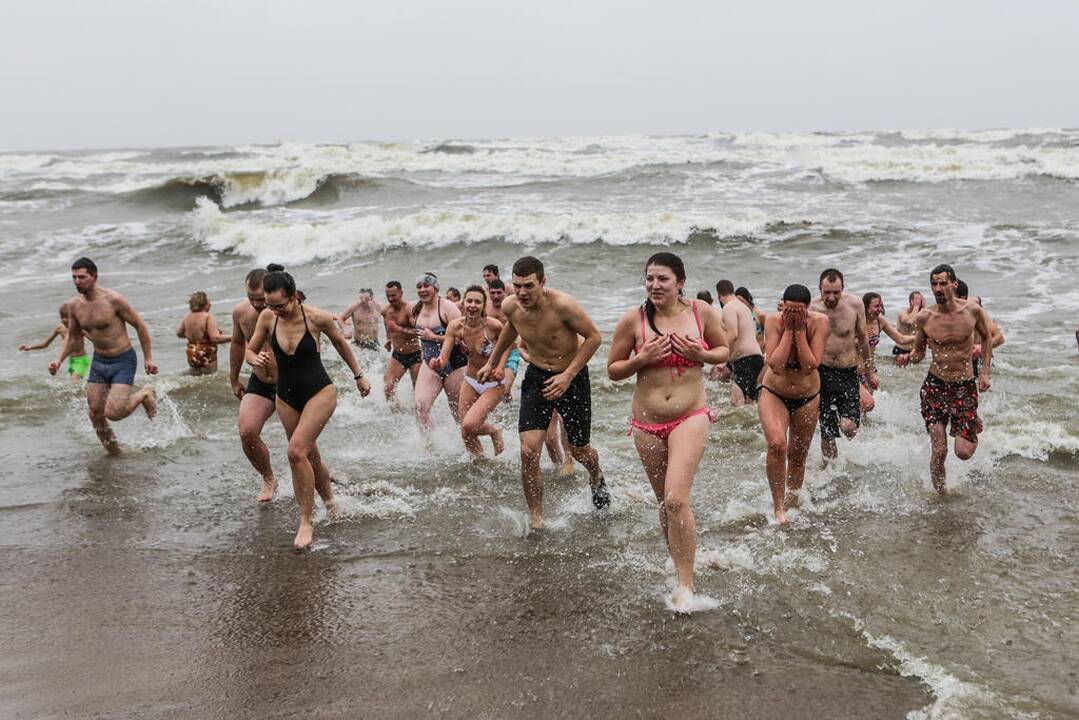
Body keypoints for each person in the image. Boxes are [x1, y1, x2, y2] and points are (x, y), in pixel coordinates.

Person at [608, 252, 730, 610]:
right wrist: (640, 360)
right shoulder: (633, 320)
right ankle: (680, 560)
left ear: (680, 282)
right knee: (666, 503)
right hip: (646, 421)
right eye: (649, 279)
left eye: (662, 279)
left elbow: (723, 351)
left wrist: (701, 353)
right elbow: (613, 370)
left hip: (690, 414)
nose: (654, 285)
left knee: (676, 498)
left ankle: (686, 585)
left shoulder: (700, 313)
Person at [477, 256, 609, 529]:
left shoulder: (563, 305)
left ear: (543, 283)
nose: (522, 292)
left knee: (580, 450)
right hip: (537, 377)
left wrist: (568, 375)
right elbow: (509, 329)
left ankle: (596, 476)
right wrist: (492, 362)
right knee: (528, 451)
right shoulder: (511, 305)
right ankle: (537, 518)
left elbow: (595, 337)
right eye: (517, 285)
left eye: (528, 286)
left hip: (571, 378)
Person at [245, 269, 372, 550]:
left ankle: (306, 521)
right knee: (310, 455)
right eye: (270, 305)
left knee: (295, 451)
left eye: (280, 305)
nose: (274, 310)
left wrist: (359, 376)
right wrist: (256, 359)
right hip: (286, 395)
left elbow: (341, 344)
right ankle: (330, 502)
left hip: (319, 391)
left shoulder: (317, 318)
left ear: (294, 297)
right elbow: (249, 350)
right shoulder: (267, 318)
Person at [897, 265, 993, 495]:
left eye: (942, 283)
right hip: (935, 385)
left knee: (962, 452)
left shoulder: (971, 311)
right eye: (934, 284)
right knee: (939, 450)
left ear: (954, 284)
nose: (937, 288)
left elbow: (988, 339)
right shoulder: (925, 317)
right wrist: (909, 357)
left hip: (964, 385)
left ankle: (972, 424)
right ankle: (942, 495)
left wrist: (985, 372)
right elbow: (920, 353)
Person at [49, 257, 159, 454]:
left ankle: (144, 393)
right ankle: (115, 453)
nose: (76, 281)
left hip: (123, 360)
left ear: (94, 277)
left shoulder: (113, 300)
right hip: (99, 361)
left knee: (114, 413)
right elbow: (73, 336)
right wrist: (58, 360)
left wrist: (148, 358)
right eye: (73, 277)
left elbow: (140, 326)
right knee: (95, 413)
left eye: (81, 277)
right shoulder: (74, 305)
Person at [756, 285, 828, 524]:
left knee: (798, 455)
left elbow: (810, 364)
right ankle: (779, 508)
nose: (793, 315)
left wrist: (799, 332)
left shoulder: (820, 322)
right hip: (774, 391)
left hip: (808, 395)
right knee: (777, 444)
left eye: (798, 311)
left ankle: (793, 501)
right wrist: (789, 330)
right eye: (788, 310)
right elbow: (775, 363)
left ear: (808, 309)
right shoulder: (773, 321)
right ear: (782, 305)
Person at [430, 285, 508, 460]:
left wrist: (501, 367)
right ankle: (482, 462)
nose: (473, 305)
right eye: (469, 301)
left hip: (493, 383)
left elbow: (509, 344)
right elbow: (444, 355)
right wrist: (438, 362)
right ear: (463, 303)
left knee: (470, 424)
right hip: (471, 380)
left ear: (483, 306)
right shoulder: (455, 326)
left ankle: (494, 432)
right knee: (465, 430)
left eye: (478, 302)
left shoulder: (493, 326)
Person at [810, 269, 874, 464]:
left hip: (848, 373)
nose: (831, 297)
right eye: (827, 292)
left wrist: (870, 370)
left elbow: (863, 339)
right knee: (827, 431)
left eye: (836, 292)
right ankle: (830, 470)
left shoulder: (855, 305)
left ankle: (842, 423)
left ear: (842, 289)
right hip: (822, 373)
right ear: (820, 288)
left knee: (849, 427)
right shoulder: (811, 308)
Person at [230, 265, 282, 502]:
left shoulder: (284, 312)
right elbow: (238, 344)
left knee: (302, 445)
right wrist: (233, 378)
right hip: (260, 380)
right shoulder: (241, 312)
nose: (257, 304)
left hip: (289, 381)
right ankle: (269, 478)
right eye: (252, 299)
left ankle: (321, 478)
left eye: (261, 299)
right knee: (247, 431)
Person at [412, 272, 468, 429]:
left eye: (426, 286)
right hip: (430, 364)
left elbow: (463, 338)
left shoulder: (448, 308)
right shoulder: (416, 310)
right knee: (420, 407)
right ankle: (431, 448)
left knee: (459, 415)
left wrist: (434, 337)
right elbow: (421, 339)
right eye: (419, 286)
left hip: (455, 364)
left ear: (435, 287)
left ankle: (468, 449)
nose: (422, 289)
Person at [717, 280, 765, 406]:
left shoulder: (729, 307)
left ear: (719, 295)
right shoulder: (744, 307)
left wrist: (723, 359)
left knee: (736, 402)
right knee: (750, 403)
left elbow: (733, 334)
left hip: (745, 360)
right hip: (756, 358)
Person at [20, 303, 89, 380]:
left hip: (82, 360)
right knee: (74, 386)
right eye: (62, 317)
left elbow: (94, 340)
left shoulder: (79, 329)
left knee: (74, 381)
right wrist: (29, 347)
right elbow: (45, 344)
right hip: (71, 360)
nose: (64, 320)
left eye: (67, 317)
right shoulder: (60, 329)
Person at [380, 280, 423, 404]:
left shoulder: (409, 309)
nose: (390, 299)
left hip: (415, 355)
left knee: (418, 392)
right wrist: (388, 338)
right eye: (388, 296)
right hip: (398, 355)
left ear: (401, 293)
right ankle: (397, 416)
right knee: (388, 388)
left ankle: (419, 418)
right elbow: (387, 324)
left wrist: (399, 329)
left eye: (393, 295)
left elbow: (420, 331)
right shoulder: (385, 311)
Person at [861, 292, 915, 387]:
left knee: (871, 401)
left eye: (881, 306)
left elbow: (901, 339)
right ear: (866, 307)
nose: (880, 309)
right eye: (876, 306)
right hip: (854, 371)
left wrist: (922, 336)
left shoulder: (880, 322)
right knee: (865, 401)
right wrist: (862, 339)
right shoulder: (858, 323)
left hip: (871, 371)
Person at [176, 291, 231, 375]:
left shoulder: (187, 317)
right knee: (211, 375)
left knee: (196, 374)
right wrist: (234, 337)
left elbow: (179, 333)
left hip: (192, 354)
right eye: (209, 302)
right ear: (204, 304)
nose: (211, 304)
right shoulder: (207, 316)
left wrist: (190, 336)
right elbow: (215, 338)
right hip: (205, 354)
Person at [485, 278, 522, 398]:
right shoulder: (485, 308)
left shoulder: (510, 307)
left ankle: (509, 413)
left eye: (499, 292)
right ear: (488, 292)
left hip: (511, 351)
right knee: (491, 388)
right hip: (491, 352)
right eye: (492, 293)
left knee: (505, 389)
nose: (496, 296)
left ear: (504, 292)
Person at [894, 291, 924, 362]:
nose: (919, 301)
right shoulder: (902, 313)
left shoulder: (922, 314)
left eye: (920, 299)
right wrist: (916, 307)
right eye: (916, 299)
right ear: (911, 301)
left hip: (914, 350)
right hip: (900, 349)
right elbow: (909, 322)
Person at [735, 286, 767, 352]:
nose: (739, 304)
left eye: (742, 301)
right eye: (737, 302)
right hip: (744, 353)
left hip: (759, 352)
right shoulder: (738, 314)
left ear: (748, 299)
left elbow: (769, 335)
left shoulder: (760, 314)